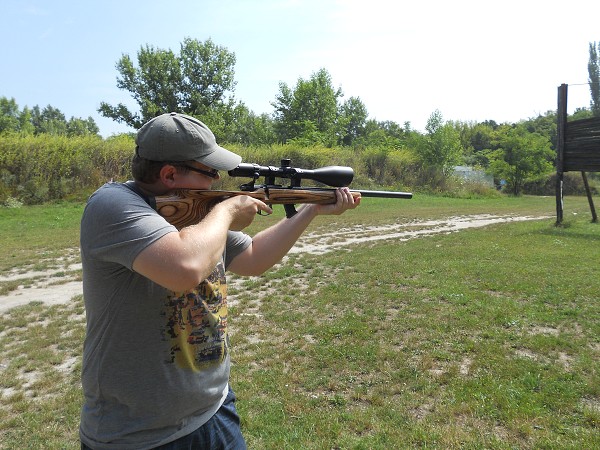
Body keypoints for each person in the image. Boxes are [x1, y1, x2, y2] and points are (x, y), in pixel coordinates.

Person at [79, 112, 360, 449]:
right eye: (210, 172)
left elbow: (254, 257)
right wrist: (226, 212)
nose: (217, 180)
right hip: (138, 435)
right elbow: (184, 269)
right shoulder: (112, 205)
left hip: (214, 410)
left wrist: (310, 209)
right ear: (169, 175)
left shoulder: (198, 215)